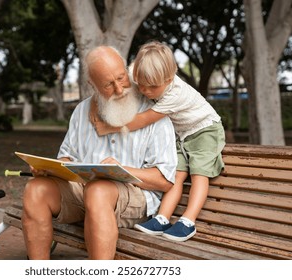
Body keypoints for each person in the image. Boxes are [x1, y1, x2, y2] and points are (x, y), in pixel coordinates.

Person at [21, 45, 177, 260]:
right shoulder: (81, 111)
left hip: (134, 198)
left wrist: (121, 171)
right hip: (84, 192)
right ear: (91, 85)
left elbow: (165, 181)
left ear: (126, 69)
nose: (120, 89)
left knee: (98, 190)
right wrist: (50, 169)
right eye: (108, 85)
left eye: (121, 78)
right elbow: (66, 156)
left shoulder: (153, 113)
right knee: (35, 189)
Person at [92, 41, 226, 242]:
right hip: (182, 134)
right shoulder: (145, 77)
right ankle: (162, 218)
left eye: (152, 87)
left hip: (204, 129)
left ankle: (188, 222)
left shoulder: (176, 93)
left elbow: (143, 119)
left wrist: (110, 126)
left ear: (169, 79)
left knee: (199, 173)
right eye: (141, 84)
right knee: (176, 174)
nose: (145, 91)